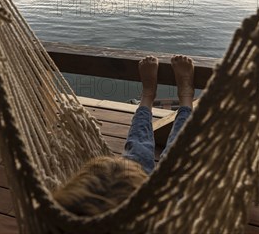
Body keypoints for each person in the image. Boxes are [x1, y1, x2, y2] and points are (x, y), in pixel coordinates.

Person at [52, 55, 195, 216]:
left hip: (124, 212)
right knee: (175, 162)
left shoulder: (63, 220)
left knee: (137, 153)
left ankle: (148, 95)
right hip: (160, 212)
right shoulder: (170, 221)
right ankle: (185, 98)